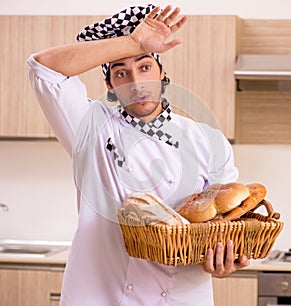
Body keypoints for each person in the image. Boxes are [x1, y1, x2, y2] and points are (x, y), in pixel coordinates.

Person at [27, 4, 249, 306]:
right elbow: (44, 67)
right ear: (110, 86)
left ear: (162, 72)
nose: (136, 82)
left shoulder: (208, 141)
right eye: (121, 73)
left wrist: (224, 261)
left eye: (144, 67)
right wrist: (134, 43)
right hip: (101, 297)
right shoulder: (92, 127)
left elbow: (225, 225)